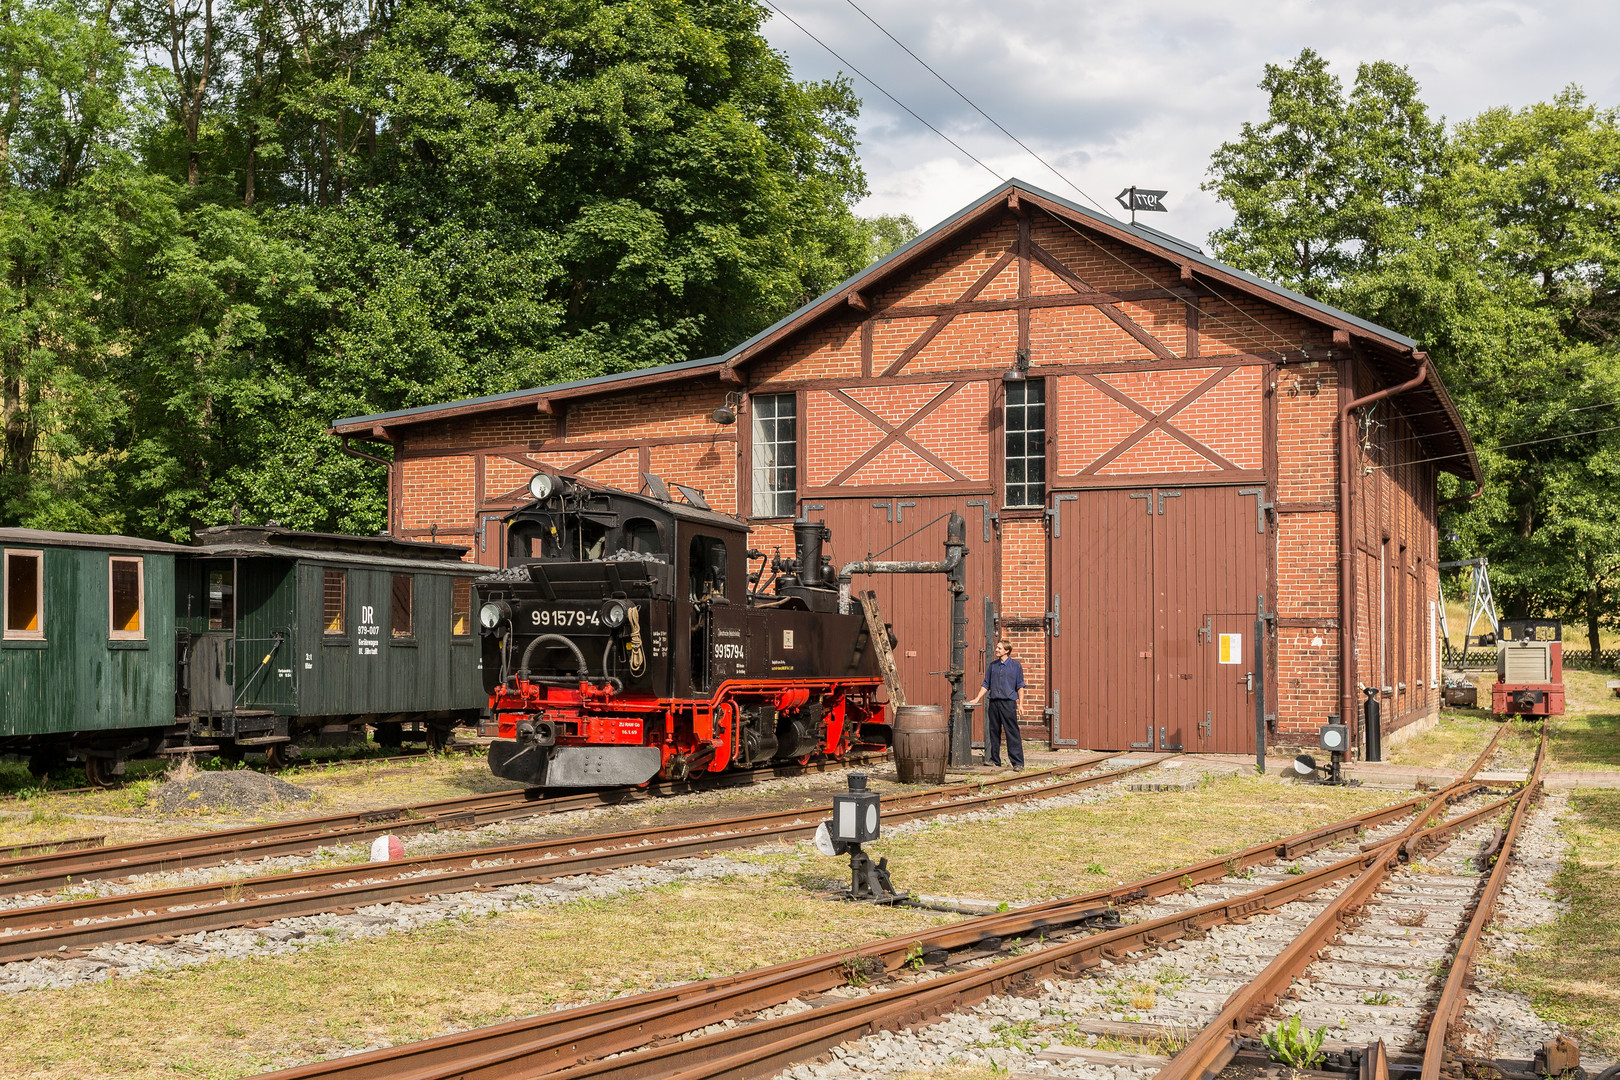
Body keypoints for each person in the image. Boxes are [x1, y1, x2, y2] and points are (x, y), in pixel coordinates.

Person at [968, 639, 1025, 769]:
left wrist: (1021, 704)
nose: (997, 650)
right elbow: (986, 684)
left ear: (1007, 651)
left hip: (1008, 704)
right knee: (993, 732)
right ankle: (995, 760)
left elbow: (1020, 686)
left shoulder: (1016, 666)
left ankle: (1018, 763)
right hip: (994, 703)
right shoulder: (993, 666)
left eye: (999, 648)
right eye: (997, 648)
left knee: (1012, 732)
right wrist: (977, 698)